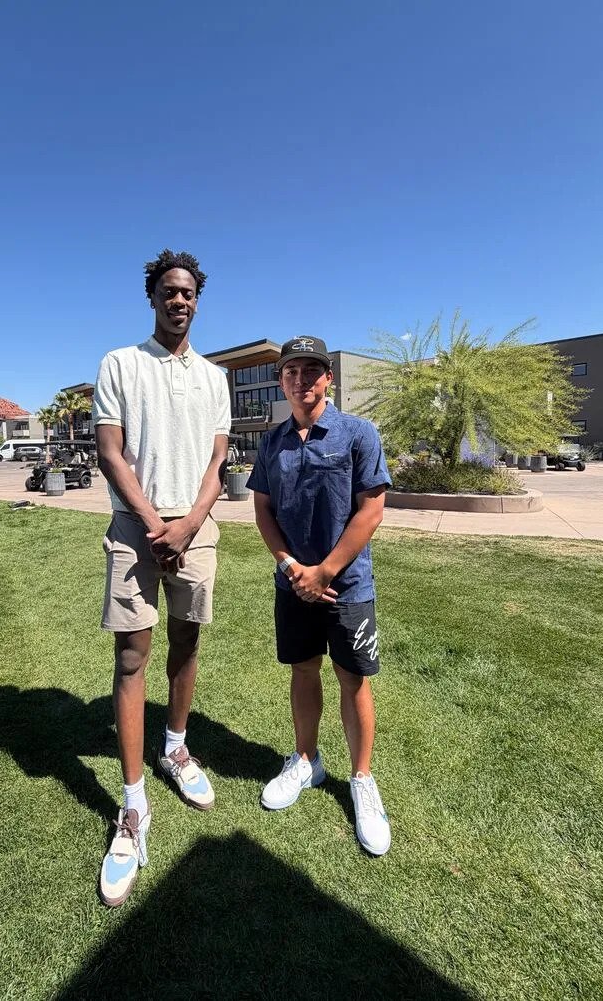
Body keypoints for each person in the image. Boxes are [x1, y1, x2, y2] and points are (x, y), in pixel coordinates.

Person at [93, 248, 231, 906]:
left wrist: (189, 523)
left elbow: (217, 461)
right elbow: (110, 452)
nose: (180, 300)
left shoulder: (215, 377)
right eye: (169, 292)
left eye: (189, 293)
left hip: (196, 527)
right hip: (136, 528)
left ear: (198, 301)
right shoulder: (120, 364)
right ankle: (132, 806)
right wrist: (154, 524)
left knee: (187, 642)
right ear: (153, 298)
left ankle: (175, 749)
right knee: (131, 658)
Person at [247, 336, 393, 855]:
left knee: (352, 678)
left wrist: (325, 570)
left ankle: (361, 780)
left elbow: (370, 510)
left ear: (327, 378)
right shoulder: (273, 441)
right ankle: (306, 761)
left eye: (312, 370)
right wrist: (290, 565)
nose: (301, 379)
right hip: (292, 584)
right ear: (281, 380)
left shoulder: (357, 433)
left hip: (347, 586)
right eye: (292, 371)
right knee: (303, 669)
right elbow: (262, 509)